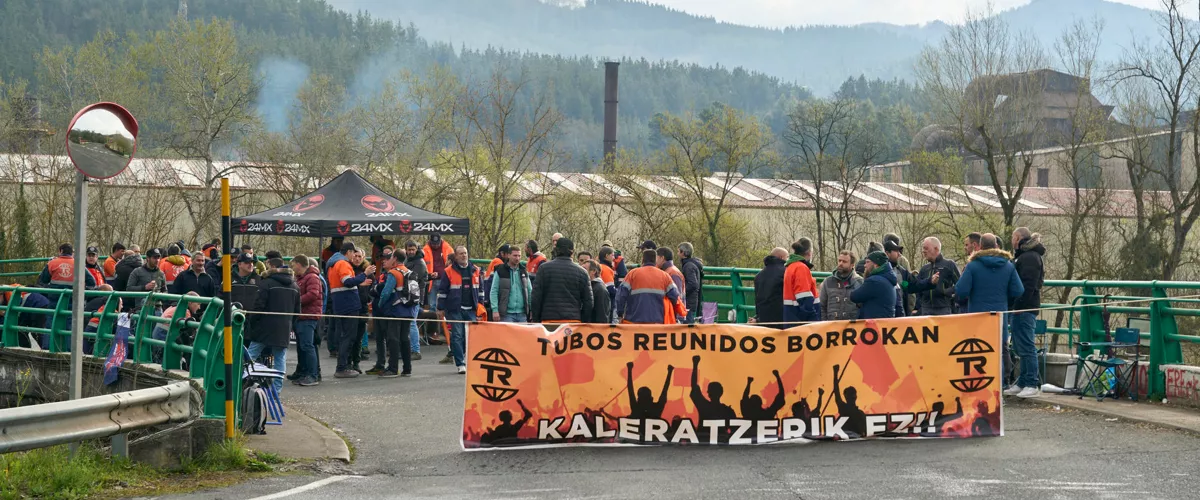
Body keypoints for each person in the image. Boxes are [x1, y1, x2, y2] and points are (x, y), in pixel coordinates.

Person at [249, 257, 300, 394]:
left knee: (251, 355)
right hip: (283, 327)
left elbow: (258, 306)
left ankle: (243, 382)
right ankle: (276, 390)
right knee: (280, 358)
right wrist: (290, 325)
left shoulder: (266, 283)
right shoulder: (295, 286)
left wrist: (252, 322)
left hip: (264, 327)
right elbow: (297, 311)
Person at [1009, 227, 1046, 399]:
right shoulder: (1024, 257)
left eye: (1013, 237)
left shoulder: (1029, 258)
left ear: (1018, 238)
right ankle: (1023, 381)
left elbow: (1028, 285)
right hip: (1020, 308)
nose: (1012, 241)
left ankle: (1031, 382)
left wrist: (1019, 305)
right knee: (1019, 346)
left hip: (1025, 308)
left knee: (1027, 345)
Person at [372, 251, 421, 377]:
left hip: (395, 310)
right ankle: (407, 368)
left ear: (394, 258)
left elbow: (386, 292)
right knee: (405, 338)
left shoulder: (393, 273)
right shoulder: (408, 272)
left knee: (393, 338)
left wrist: (380, 305)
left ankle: (393, 368)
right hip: (408, 309)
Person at [329, 243, 375, 378]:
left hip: (342, 304)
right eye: (353, 253)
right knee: (348, 337)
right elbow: (347, 282)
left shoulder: (334, 263)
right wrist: (364, 275)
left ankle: (346, 365)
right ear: (348, 252)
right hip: (348, 305)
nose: (354, 256)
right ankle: (342, 367)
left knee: (347, 337)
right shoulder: (342, 263)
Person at [437, 245, 483, 374]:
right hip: (455, 309)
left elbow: (481, 291)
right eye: (461, 254)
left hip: (471, 309)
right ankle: (460, 363)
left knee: (471, 337)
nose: (464, 255)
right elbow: (442, 291)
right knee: (457, 336)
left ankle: (467, 359)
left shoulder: (476, 270)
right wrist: (440, 307)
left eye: (465, 253)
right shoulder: (448, 271)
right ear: (456, 257)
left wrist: (480, 306)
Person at [955, 234, 1024, 314]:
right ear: (996, 245)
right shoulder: (1008, 266)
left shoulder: (972, 266)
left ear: (980, 246)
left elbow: (961, 291)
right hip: (999, 316)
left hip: (978, 316)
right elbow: (1018, 291)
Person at [530, 238, 593, 325]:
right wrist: (582, 320)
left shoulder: (544, 269)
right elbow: (588, 301)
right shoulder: (582, 272)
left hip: (548, 320)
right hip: (573, 321)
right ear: (572, 252)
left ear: (556, 250)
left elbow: (536, 297)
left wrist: (536, 319)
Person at [615, 249, 683, 324]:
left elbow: (621, 296)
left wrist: (620, 314)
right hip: (657, 324)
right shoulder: (665, 276)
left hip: (633, 323)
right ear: (655, 261)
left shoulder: (632, 274)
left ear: (642, 260)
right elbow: (675, 297)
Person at [291, 255, 323, 387]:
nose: (292, 268)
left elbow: (313, 294)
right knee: (304, 346)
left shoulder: (312, 278)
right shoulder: (303, 278)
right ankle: (306, 372)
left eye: (294, 265)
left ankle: (312, 374)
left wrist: (295, 302)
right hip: (303, 316)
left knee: (307, 346)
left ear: (299, 264)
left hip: (309, 316)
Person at [689, 355, 736, 443]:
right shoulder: (727, 410)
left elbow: (694, 386)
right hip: (717, 443)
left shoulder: (704, 406)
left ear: (708, 393)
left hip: (705, 442)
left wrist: (695, 364)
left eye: (710, 390)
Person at [908, 237, 960, 316]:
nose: (923, 251)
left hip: (943, 310)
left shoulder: (949, 265)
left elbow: (960, 284)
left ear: (936, 249)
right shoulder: (924, 268)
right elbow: (917, 287)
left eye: (926, 248)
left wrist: (946, 292)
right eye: (923, 248)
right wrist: (917, 308)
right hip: (925, 310)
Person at [489, 245, 531, 323]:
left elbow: (529, 291)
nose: (517, 258)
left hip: (522, 314)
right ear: (508, 255)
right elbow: (494, 291)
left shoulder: (524, 271)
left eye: (519, 256)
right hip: (506, 314)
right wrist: (495, 310)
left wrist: (531, 309)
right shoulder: (500, 271)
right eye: (515, 255)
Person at [783, 238, 820, 326]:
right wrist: (814, 320)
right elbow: (805, 298)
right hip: (802, 323)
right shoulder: (801, 268)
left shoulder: (790, 266)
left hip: (792, 318)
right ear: (809, 253)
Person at [850, 251, 896, 319]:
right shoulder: (888, 279)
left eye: (868, 262)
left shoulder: (874, 281)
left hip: (874, 325)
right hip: (884, 323)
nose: (865, 265)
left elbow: (854, 296)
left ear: (876, 265)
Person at [819, 250, 863, 321]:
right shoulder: (828, 282)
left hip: (853, 328)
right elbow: (822, 306)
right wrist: (824, 324)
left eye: (844, 262)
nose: (840, 264)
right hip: (831, 327)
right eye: (839, 261)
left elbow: (863, 307)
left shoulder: (859, 282)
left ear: (852, 265)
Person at [403, 241, 427, 361]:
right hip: (408, 295)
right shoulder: (408, 260)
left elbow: (413, 280)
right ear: (406, 250)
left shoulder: (420, 263)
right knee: (408, 323)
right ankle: (409, 349)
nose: (411, 251)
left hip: (415, 296)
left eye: (413, 249)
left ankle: (415, 350)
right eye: (409, 249)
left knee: (412, 323)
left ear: (417, 249)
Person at [752, 248, 787, 328]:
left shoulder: (758, 276)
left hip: (763, 319)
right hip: (780, 319)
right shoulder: (785, 272)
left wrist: (758, 318)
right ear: (782, 257)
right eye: (787, 257)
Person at [126, 248, 165, 313]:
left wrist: (159, 296)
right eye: (154, 258)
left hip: (158, 308)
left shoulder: (161, 273)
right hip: (141, 308)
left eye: (158, 258)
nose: (157, 260)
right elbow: (129, 288)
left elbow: (165, 290)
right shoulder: (137, 272)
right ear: (148, 258)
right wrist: (145, 287)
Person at [883, 239, 914, 317]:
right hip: (884, 318)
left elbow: (909, 288)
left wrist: (930, 282)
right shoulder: (879, 272)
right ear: (887, 253)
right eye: (896, 251)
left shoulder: (903, 272)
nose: (899, 255)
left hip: (901, 316)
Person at [423, 233, 454, 310]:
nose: (436, 245)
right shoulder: (425, 250)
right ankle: (434, 322)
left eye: (437, 243)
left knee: (446, 304)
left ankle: (444, 322)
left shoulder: (448, 248)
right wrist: (430, 275)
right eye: (434, 244)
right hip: (431, 281)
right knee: (432, 305)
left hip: (445, 280)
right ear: (430, 241)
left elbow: (454, 263)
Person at [657, 247, 687, 324]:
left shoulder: (672, 273)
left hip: (674, 317)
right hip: (673, 316)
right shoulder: (671, 271)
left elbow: (677, 297)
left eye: (656, 257)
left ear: (662, 258)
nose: (655, 260)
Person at [678, 242, 704, 325]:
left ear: (683, 253)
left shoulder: (688, 266)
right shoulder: (692, 264)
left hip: (689, 302)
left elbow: (693, 284)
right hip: (692, 301)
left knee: (687, 325)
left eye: (679, 251)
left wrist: (682, 294)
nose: (678, 254)